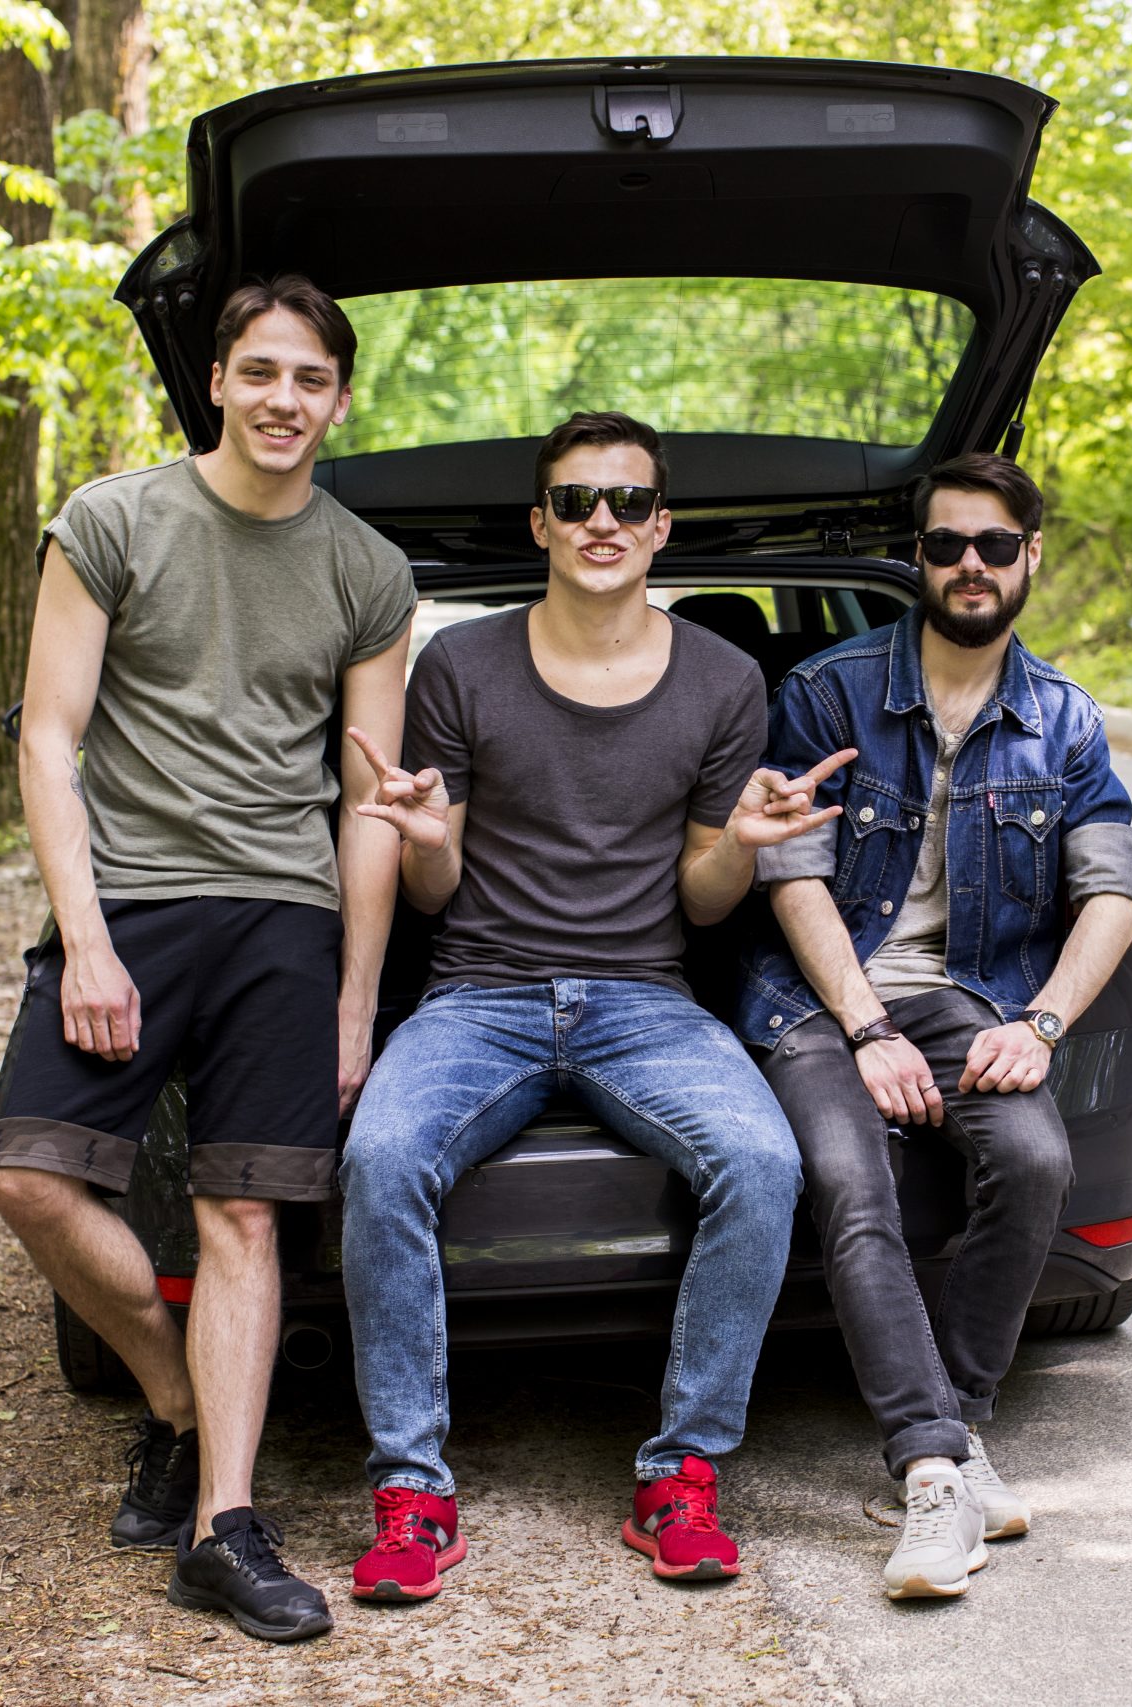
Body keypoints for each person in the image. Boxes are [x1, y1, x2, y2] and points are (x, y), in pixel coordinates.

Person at [336, 411, 845, 1602]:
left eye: (625, 502)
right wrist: (418, 836)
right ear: (540, 525)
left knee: (762, 1163)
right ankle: (412, 1495)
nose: (600, 522)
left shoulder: (724, 680)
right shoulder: (458, 667)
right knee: (381, 1159)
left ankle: (682, 1478)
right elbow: (436, 883)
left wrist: (749, 847)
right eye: (574, 502)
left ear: (661, 526)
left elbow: (705, 901)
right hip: (481, 996)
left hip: (644, 1000)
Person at [0, 276, 415, 1643]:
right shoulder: (114, 520)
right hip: (133, 904)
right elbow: (49, 738)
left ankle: (224, 1522)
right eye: (263, 371)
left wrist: (354, 1000)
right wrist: (89, 941)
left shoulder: (368, 570)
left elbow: (370, 802)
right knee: (26, 1172)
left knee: (242, 1210)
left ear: (341, 399)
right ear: (218, 381)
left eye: (313, 378)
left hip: (284, 913)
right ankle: (171, 1398)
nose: (287, 398)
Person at [739, 453, 1132, 1598]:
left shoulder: (1064, 721)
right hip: (821, 999)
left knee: (1034, 1159)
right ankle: (927, 1477)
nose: (968, 566)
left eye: (993, 546)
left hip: (964, 1002)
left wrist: (1042, 1023)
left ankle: (958, 1430)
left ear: (1030, 558)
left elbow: (1114, 885)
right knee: (851, 1182)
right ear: (917, 559)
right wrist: (865, 1028)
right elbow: (792, 873)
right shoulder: (828, 691)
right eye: (943, 545)